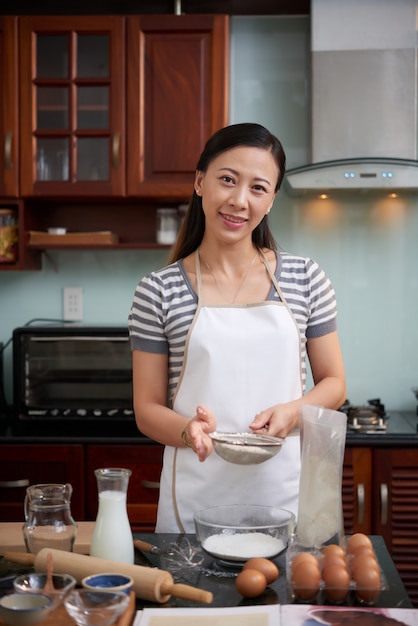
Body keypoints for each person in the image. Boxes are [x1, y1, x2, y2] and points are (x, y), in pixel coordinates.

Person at [128, 122, 346, 534]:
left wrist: (293, 412)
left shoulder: (306, 278)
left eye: (258, 188)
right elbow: (147, 409)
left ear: (272, 200)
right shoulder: (158, 290)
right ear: (199, 182)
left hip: (284, 494)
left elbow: (334, 383)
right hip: (193, 496)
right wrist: (188, 431)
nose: (239, 200)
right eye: (227, 180)